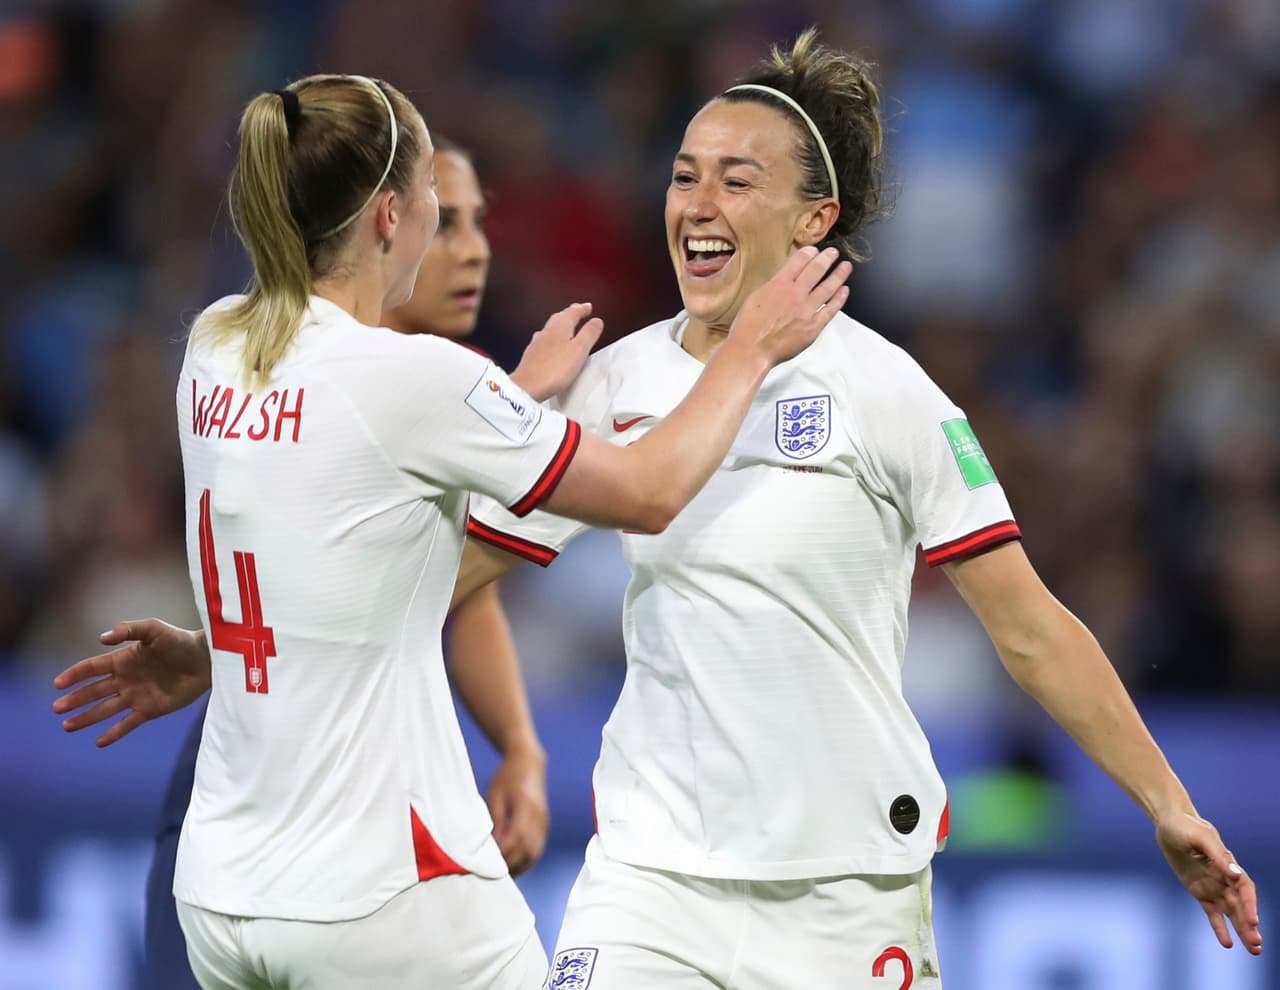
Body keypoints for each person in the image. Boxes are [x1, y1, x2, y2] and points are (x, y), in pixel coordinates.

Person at [56, 38, 1262, 988]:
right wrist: (225, 656)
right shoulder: (618, 381)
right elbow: (428, 576)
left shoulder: (888, 392)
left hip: (843, 894)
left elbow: (1027, 626)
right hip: (648, 884)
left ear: (810, 224)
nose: (696, 199)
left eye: (738, 180)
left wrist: (1168, 803)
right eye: (684, 172)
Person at [53, 70, 850, 990]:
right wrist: (754, 343)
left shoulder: (218, 342)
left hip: (225, 892)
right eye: (435, 188)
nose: (445, 213)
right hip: (388, 893)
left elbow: (340, 507)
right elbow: (651, 491)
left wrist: (510, 396)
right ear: (390, 216)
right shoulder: (417, 378)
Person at [138, 134, 550, 990]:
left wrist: (518, 745)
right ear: (384, 226)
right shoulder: (364, 381)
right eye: (449, 221)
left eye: (482, 223)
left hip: (293, 791)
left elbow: (456, 600)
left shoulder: (268, 354)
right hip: (280, 796)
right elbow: (403, 580)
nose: (472, 247)